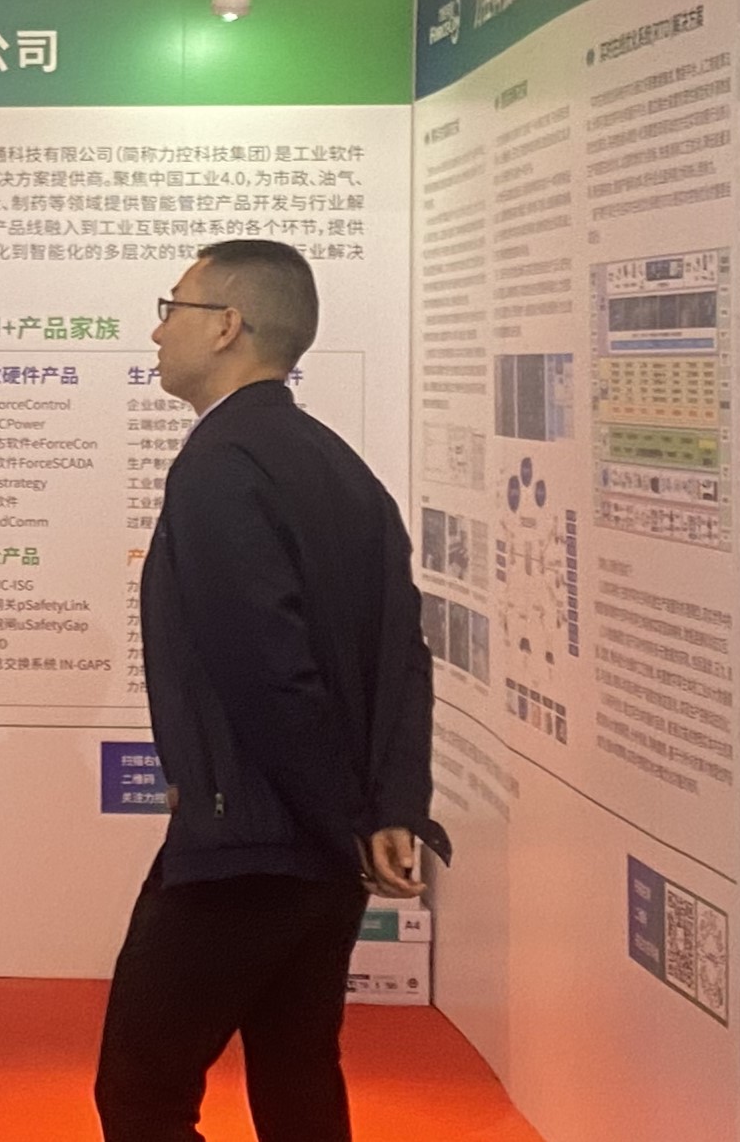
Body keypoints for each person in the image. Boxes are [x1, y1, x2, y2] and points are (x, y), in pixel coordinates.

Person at [95, 239, 447, 1142]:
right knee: (298, 1075)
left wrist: (343, 817)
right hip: (322, 845)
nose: (156, 331)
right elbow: (406, 654)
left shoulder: (220, 463)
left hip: (253, 842)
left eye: (171, 307)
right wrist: (386, 807)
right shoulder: (342, 467)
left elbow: (268, 669)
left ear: (226, 325)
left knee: (142, 1090)